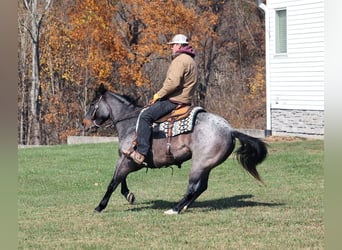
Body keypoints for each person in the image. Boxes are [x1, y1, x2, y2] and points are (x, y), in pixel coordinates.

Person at [123, 34, 198, 164]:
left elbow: (172, 83)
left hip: (174, 100)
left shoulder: (180, 60)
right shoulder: (191, 60)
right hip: (185, 100)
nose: (172, 48)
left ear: (180, 45)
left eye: (173, 45)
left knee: (145, 116)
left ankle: (141, 153)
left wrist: (158, 95)